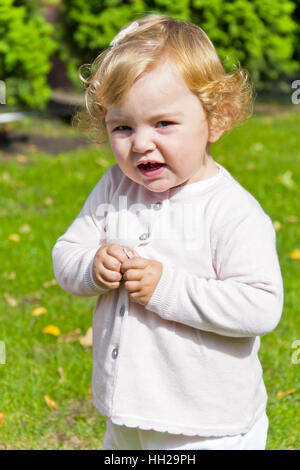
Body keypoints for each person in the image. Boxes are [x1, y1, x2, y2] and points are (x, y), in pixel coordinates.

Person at [52, 14, 284, 450]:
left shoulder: (230, 210)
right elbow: (68, 249)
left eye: (163, 124)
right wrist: (90, 266)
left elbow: (261, 306)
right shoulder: (115, 187)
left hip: (207, 426)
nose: (140, 143)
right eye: (123, 127)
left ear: (217, 119)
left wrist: (166, 287)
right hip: (127, 414)